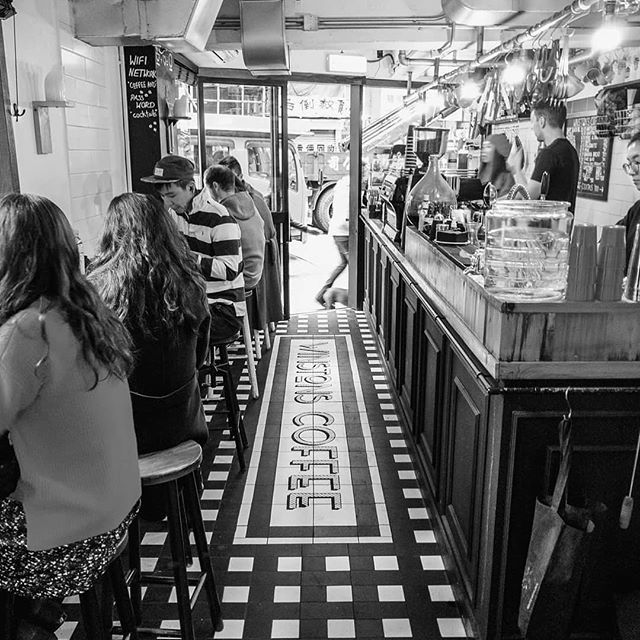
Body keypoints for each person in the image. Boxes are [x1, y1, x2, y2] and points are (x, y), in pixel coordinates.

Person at [0, 194, 140, 639]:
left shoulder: (28, 329)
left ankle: (29, 617)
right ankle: (38, 615)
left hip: (70, 532)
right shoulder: (88, 310)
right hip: (116, 506)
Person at [88, 193, 210, 456]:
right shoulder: (190, 283)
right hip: (184, 422)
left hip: (125, 432)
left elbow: (94, 370)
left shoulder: (97, 290)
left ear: (111, 232)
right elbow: (199, 358)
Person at [141, 155, 245, 344]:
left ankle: (188, 373)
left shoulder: (219, 217)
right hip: (191, 301)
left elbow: (230, 270)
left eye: (171, 195)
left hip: (223, 308)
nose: (167, 203)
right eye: (163, 197)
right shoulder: (173, 215)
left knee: (171, 332)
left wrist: (186, 256)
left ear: (190, 187)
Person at [219, 155, 283, 325]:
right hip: (264, 253)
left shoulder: (238, 202)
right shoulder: (251, 195)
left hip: (258, 257)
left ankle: (232, 326)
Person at [508, 100, 580, 212]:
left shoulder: (549, 154)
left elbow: (527, 198)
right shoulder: (570, 151)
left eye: (532, 121)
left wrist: (516, 169)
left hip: (545, 227)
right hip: (562, 225)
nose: (532, 127)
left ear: (541, 121)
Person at [204, 164, 265, 292]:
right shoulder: (250, 203)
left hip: (241, 280)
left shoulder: (223, 213)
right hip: (256, 276)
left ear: (215, 186)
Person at [315, 172, 350, 307]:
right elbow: (347, 212)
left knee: (342, 263)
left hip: (337, 230)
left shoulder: (341, 184)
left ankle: (322, 294)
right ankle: (352, 298)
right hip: (344, 232)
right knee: (353, 265)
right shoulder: (351, 187)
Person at [616, 132, 640, 268]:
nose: (632, 171)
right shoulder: (636, 211)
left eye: (637, 162)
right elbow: (612, 237)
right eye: (630, 164)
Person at [479, 133, 515, 198]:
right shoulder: (481, 173)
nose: (484, 151)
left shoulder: (507, 177)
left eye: (488, 147)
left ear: (498, 151)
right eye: (483, 147)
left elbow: (506, 200)